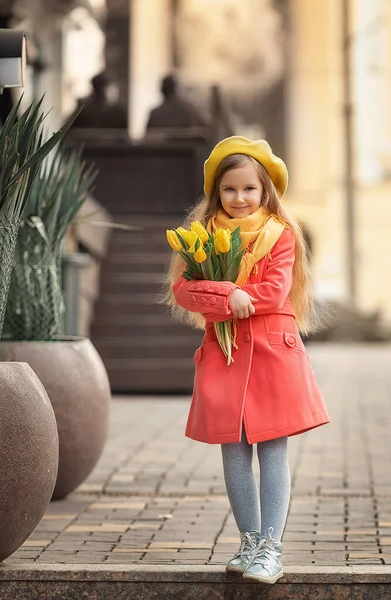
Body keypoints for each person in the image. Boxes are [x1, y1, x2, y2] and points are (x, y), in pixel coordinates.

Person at [165, 136, 330, 584]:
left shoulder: (281, 235)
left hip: (274, 353)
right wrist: (228, 293)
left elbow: (275, 292)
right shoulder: (200, 238)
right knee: (233, 451)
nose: (239, 199)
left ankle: (272, 548)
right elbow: (184, 290)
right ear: (217, 193)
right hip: (225, 354)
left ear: (266, 191)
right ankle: (250, 541)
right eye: (229, 190)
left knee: (273, 449)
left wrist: (234, 297)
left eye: (249, 189)